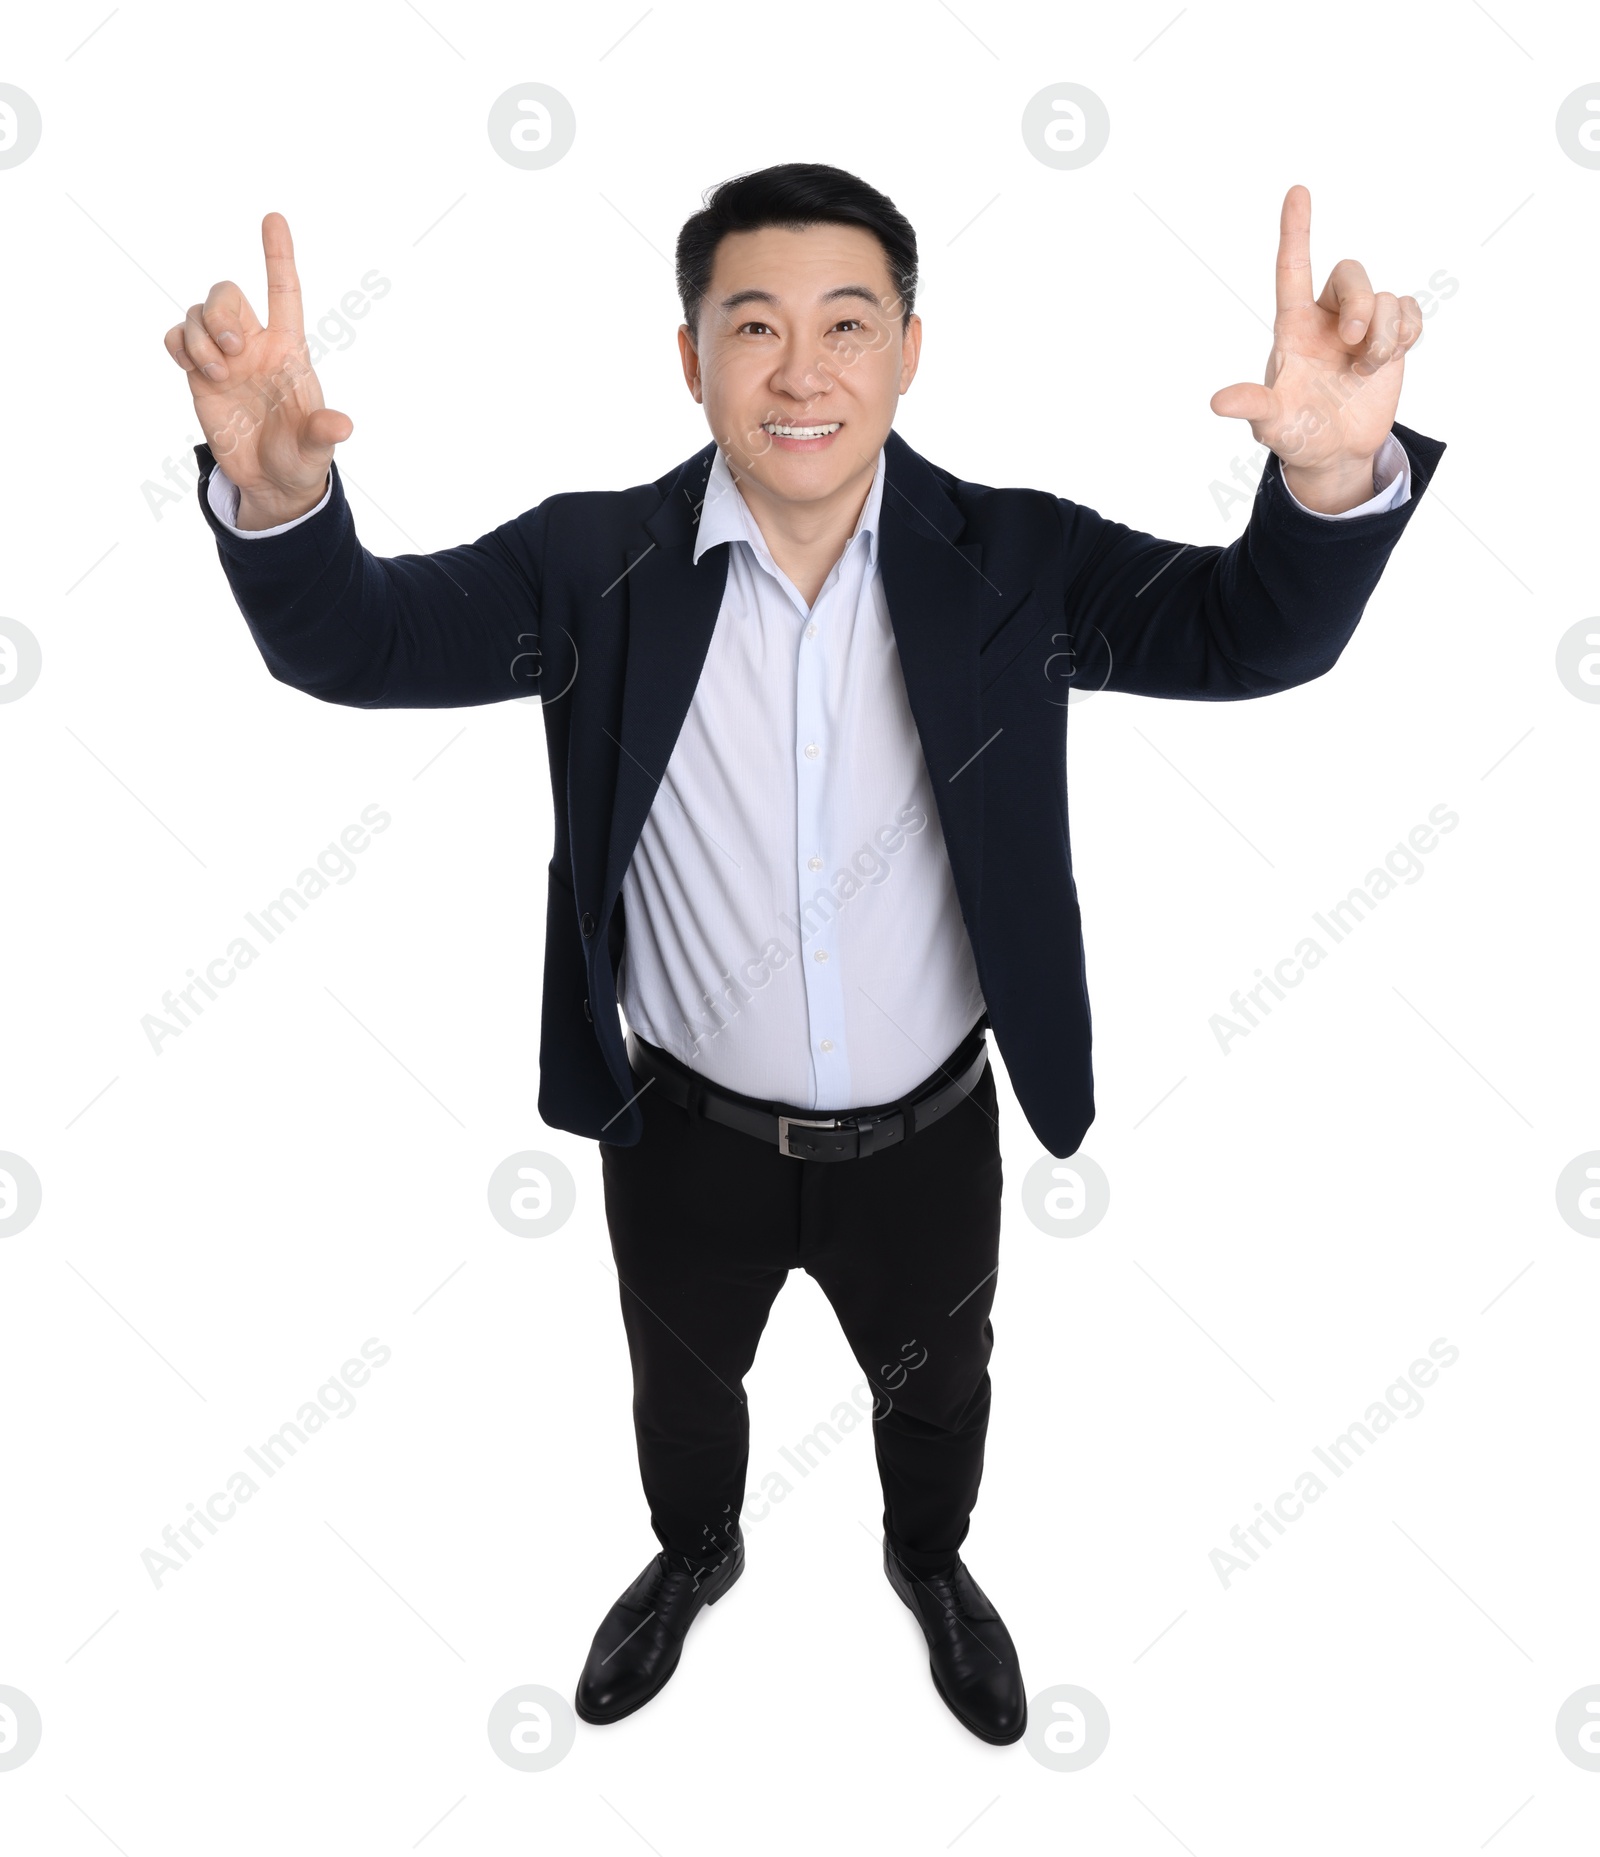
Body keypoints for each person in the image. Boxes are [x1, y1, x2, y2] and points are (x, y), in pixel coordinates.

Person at [164, 163, 1444, 1745]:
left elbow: (1256, 634)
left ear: (911, 351)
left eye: (848, 323)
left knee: (941, 1388)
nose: (801, 370)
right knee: (683, 1391)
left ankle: (930, 1558)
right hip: (684, 1133)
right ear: (689, 357)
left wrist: (1336, 475)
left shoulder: (1018, 562)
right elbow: (354, 641)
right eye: (750, 324)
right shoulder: (592, 566)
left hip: (929, 1135)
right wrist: (283, 507)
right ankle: (696, 1552)